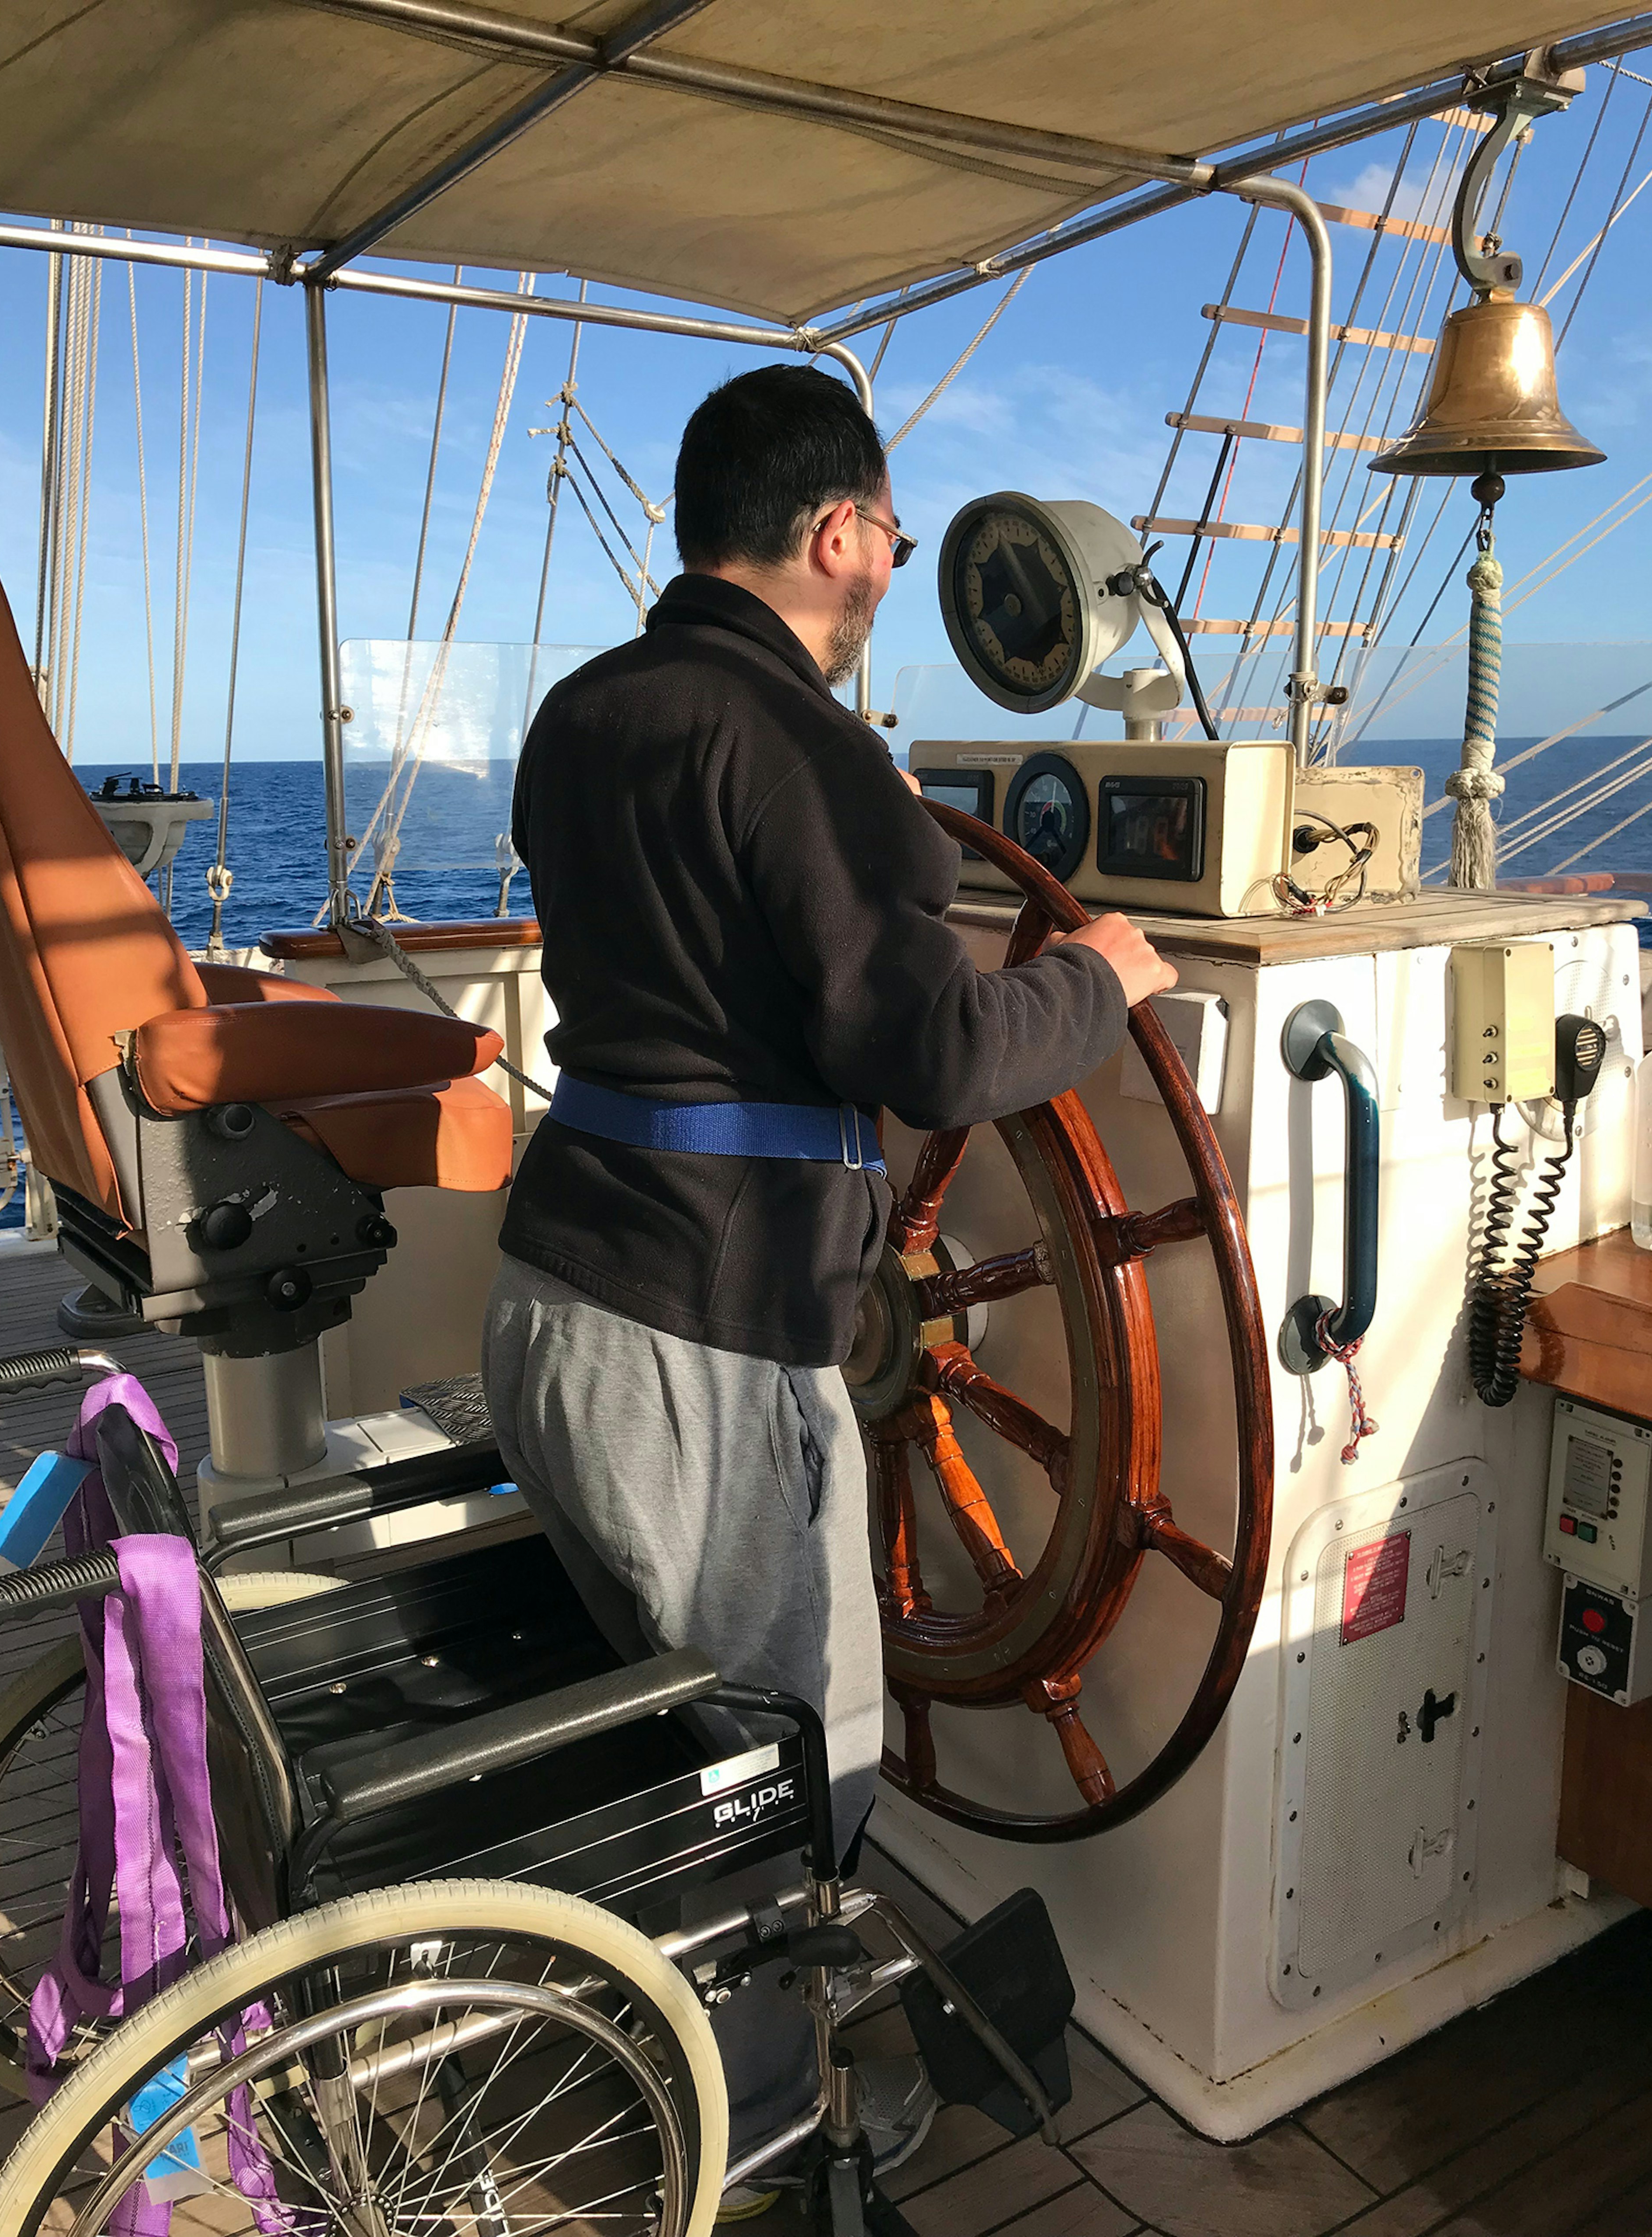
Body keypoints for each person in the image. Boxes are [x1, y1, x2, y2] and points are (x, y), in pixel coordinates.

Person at [483, 363, 1176, 2217]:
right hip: (705, 1351)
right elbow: (934, 1050)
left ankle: (649, 2038)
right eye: (888, 526)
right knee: (793, 1774)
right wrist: (1102, 970)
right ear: (839, 535)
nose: (891, 560)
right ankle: (766, 2145)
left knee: (661, 1728)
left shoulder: (578, 715)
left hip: (554, 1294)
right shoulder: (825, 762)